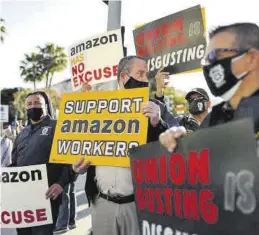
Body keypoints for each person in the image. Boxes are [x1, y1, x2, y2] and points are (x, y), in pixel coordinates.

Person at [72, 55, 179, 235]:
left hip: (138, 205)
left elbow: (174, 146)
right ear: (123, 77)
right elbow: (82, 147)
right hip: (102, 204)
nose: (145, 80)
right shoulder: (97, 106)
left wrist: (157, 123)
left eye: (147, 75)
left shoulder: (156, 107)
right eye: (140, 74)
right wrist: (78, 167)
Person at [159, 22, 259, 153]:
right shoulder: (214, 118)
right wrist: (181, 142)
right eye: (206, 60)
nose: (209, 66)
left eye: (215, 56)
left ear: (251, 58)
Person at [11, 91, 75, 235]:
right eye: (29, 104)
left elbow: (70, 162)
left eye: (37, 103)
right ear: (25, 108)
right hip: (22, 199)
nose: (33, 106)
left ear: (46, 106)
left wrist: (61, 183)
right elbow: (14, 164)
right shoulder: (22, 133)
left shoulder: (58, 127)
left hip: (47, 197)